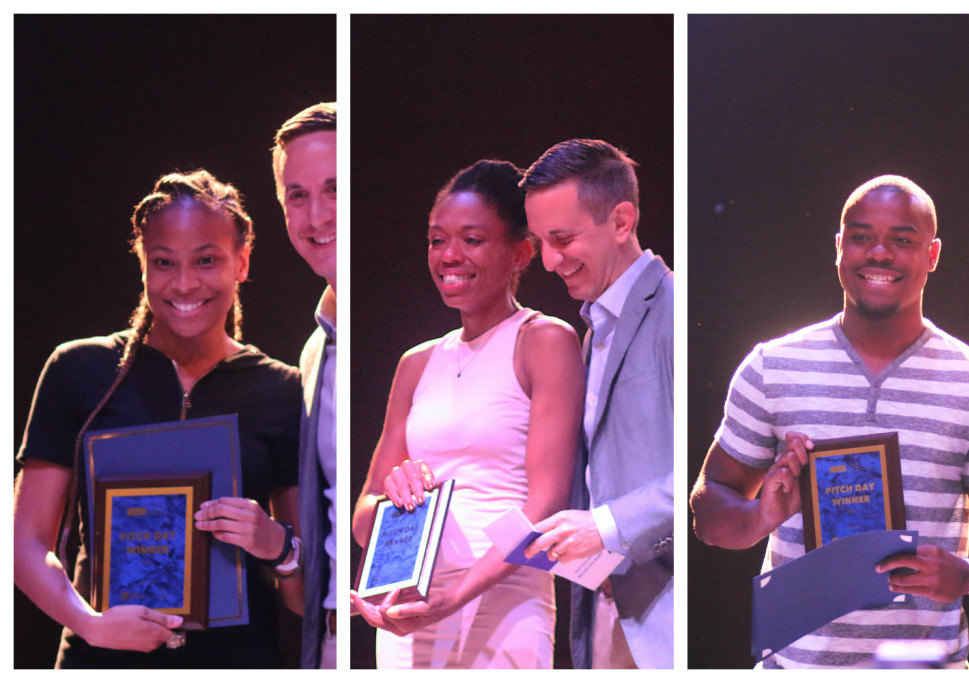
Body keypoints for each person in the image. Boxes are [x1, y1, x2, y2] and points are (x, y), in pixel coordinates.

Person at [689, 175, 969, 668]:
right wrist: (761, 516)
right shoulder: (772, 367)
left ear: (932, 254)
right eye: (861, 237)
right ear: (839, 247)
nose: (878, 253)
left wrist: (966, 573)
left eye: (902, 240)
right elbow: (709, 511)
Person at [13, 170, 303, 667]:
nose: (185, 282)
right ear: (143, 267)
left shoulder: (282, 389)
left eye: (207, 260)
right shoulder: (80, 369)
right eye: (164, 262)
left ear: (242, 263)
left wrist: (279, 546)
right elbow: (24, 541)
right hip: (101, 662)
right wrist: (89, 623)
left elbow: (302, 596)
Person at [349, 159, 585, 668]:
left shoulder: (543, 341)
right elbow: (363, 518)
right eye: (437, 240)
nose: (449, 255)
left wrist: (455, 597)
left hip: (505, 605)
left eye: (472, 240)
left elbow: (545, 505)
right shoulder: (416, 363)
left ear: (521, 252)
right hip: (408, 606)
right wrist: (395, 498)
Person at [520, 139, 674, 669]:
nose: (547, 260)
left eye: (562, 238)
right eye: (540, 241)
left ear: (622, 220)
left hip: (670, 621)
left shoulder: (676, 312)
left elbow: (711, 477)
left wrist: (605, 527)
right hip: (610, 615)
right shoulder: (593, 332)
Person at [271, 101, 338, 669]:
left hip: (448, 631)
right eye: (297, 195)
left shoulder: (433, 321)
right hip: (338, 642)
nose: (316, 215)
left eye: (334, 189)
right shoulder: (315, 350)